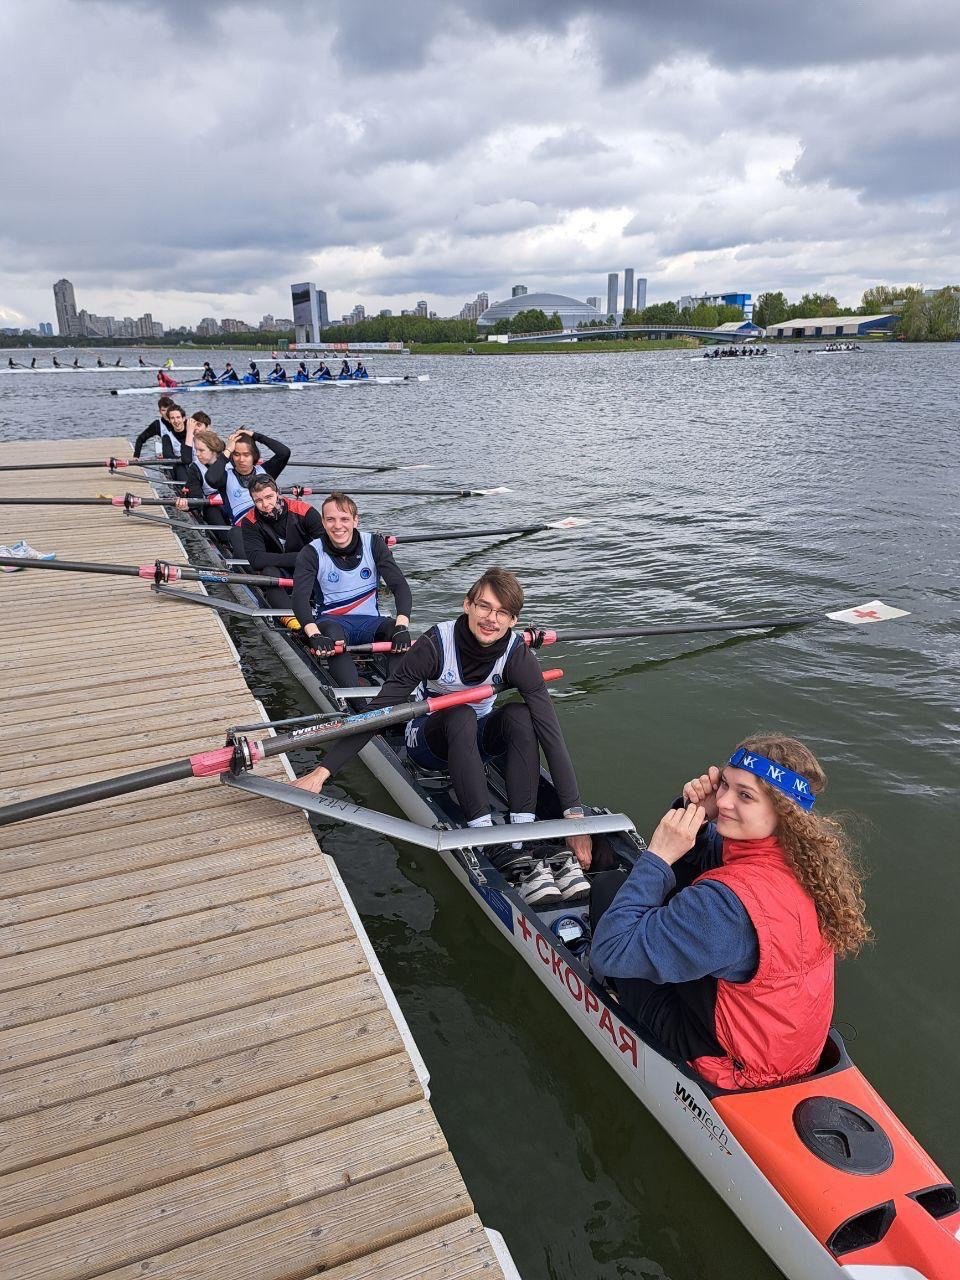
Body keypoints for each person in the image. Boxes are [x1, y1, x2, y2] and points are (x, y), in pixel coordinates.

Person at [293, 565, 593, 903]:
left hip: (473, 741)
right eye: (484, 606)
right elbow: (377, 714)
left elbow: (550, 732)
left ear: (513, 622)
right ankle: (484, 837)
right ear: (467, 605)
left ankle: (521, 837)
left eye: (502, 613)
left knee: (520, 715)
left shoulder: (516, 654)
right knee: (460, 712)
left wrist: (574, 816)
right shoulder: (436, 645)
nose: (491, 619)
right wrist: (322, 772)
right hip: (426, 742)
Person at [589, 735, 871, 1091]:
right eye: (724, 783)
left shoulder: (725, 907)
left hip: (732, 1068)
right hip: (785, 1053)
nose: (722, 800)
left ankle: (613, 996)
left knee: (608, 890)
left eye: (745, 795)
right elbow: (719, 863)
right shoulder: (807, 864)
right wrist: (701, 818)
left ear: (783, 812)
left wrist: (659, 856)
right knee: (679, 893)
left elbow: (611, 949)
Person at [291, 490, 412, 686]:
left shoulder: (374, 544)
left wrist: (402, 626)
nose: (338, 526)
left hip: (371, 622)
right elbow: (299, 599)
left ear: (355, 520)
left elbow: (400, 587)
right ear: (323, 522)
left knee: (395, 631)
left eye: (344, 519)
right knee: (332, 634)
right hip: (332, 623)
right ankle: (355, 700)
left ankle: (397, 695)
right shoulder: (311, 552)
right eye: (331, 519)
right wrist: (314, 634)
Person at [238, 475, 323, 610]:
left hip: (309, 569)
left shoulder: (304, 511)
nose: (265, 505)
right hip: (280, 572)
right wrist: (301, 557)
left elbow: (327, 547)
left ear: (278, 493)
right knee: (269, 571)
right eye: (258, 500)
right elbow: (256, 560)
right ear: (253, 500)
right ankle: (293, 620)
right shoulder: (249, 521)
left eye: (269, 497)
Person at [203, 427, 291, 531]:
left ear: (254, 455)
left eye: (246, 455)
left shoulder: (265, 471)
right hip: (245, 527)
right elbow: (210, 479)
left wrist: (256, 436)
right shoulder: (225, 477)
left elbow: (284, 452)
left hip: (269, 518)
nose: (241, 459)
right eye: (236, 454)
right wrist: (227, 450)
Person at [176, 419, 232, 531]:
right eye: (196, 450)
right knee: (211, 511)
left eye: (201, 450)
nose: (197, 454)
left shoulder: (230, 460)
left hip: (233, 500)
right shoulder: (195, 468)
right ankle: (226, 541)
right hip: (212, 505)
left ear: (214, 451)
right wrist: (187, 506)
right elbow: (195, 498)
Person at [132, 395, 188, 479]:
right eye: (163, 410)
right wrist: (136, 456)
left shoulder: (185, 422)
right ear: (160, 412)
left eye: (168, 410)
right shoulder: (157, 425)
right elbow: (141, 439)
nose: (166, 413)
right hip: (170, 458)